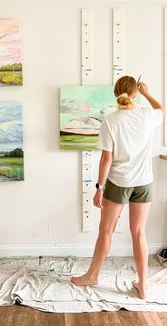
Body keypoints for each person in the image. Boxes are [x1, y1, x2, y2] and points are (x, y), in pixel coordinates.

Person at [71, 76, 165, 300]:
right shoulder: (146, 115)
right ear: (135, 93)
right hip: (144, 181)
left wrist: (99, 187)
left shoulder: (110, 120)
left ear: (116, 93)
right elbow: (161, 109)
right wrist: (148, 93)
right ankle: (143, 287)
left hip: (119, 181)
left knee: (106, 230)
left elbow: (106, 159)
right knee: (139, 233)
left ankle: (92, 275)